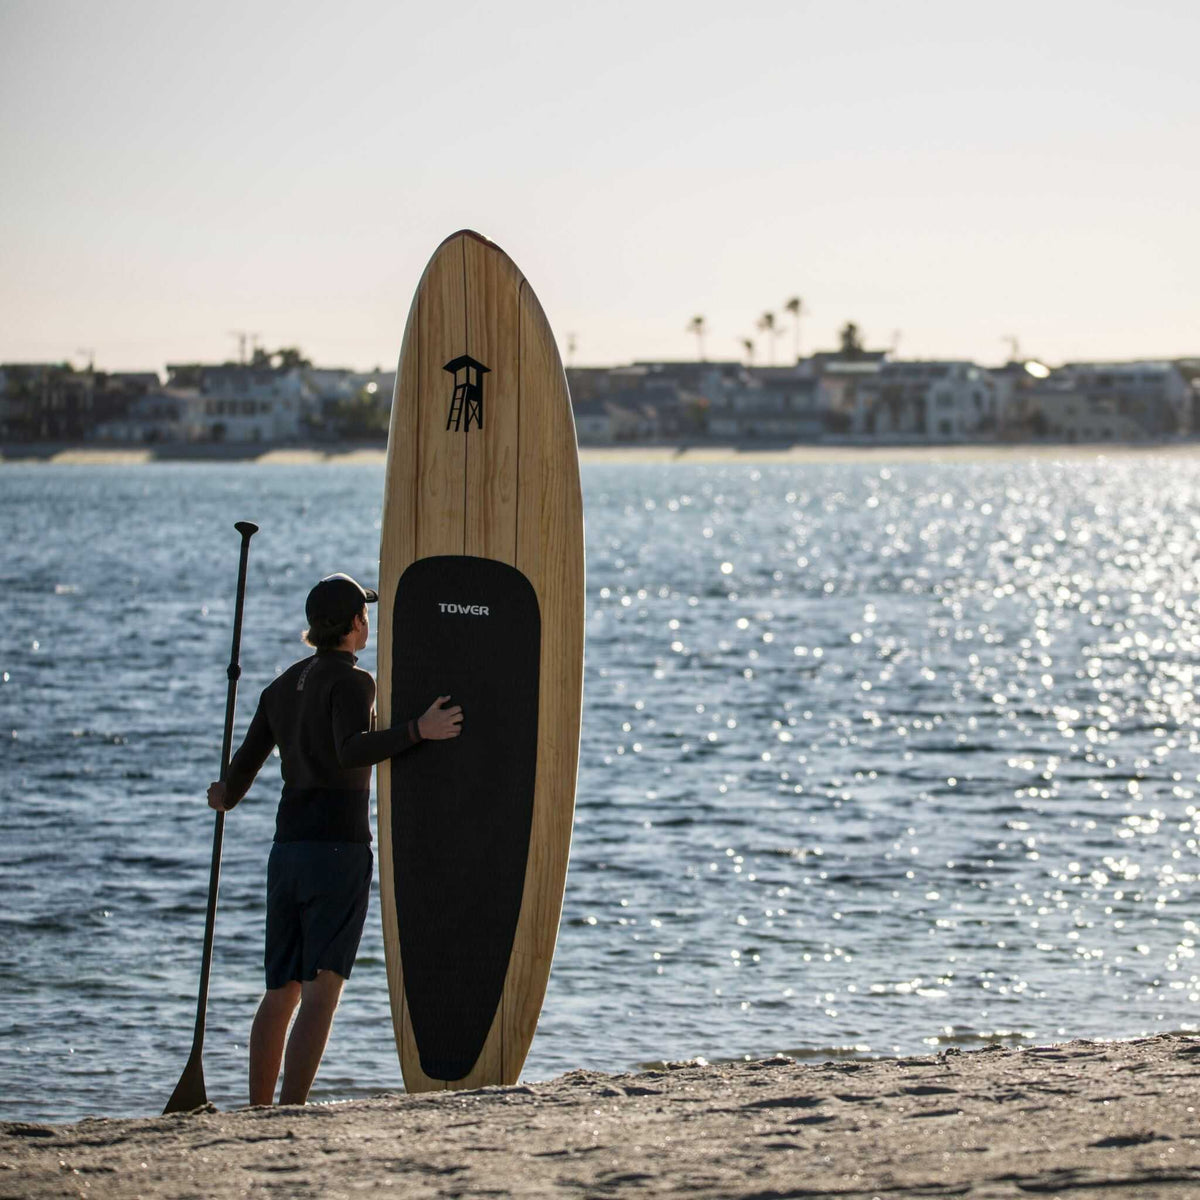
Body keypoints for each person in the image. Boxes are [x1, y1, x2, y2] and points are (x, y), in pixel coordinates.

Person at [206, 572, 462, 1106]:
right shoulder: (355, 681)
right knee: (323, 988)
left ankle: (259, 1111)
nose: (367, 622)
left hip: (287, 852)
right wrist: (418, 730)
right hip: (337, 852)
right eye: (363, 615)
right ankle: (291, 1107)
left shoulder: (279, 687)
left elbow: (235, 783)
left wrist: (221, 793)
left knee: (281, 990)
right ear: (353, 624)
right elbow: (351, 749)